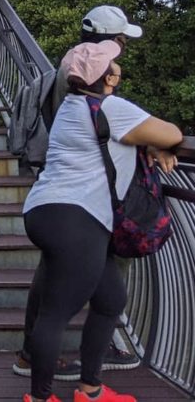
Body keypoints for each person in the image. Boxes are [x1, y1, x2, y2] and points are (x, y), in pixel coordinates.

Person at [19, 41, 181, 402]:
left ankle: (90, 390)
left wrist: (146, 145)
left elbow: (119, 139)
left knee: (110, 297)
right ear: (108, 76)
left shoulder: (72, 105)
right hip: (75, 216)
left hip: (50, 210)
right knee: (57, 311)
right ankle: (40, 398)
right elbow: (172, 133)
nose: (119, 70)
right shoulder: (111, 106)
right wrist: (159, 143)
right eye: (116, 65)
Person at [15, 5, 145, 384]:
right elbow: (110, 125)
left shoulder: (71, 63)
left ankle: (32, 352)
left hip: (58, 189)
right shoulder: (91, 74)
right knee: (87, 282)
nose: (123, 46)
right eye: (121, 39)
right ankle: (62, 359)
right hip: (82, 195)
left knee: (55, 272)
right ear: (109, 41)